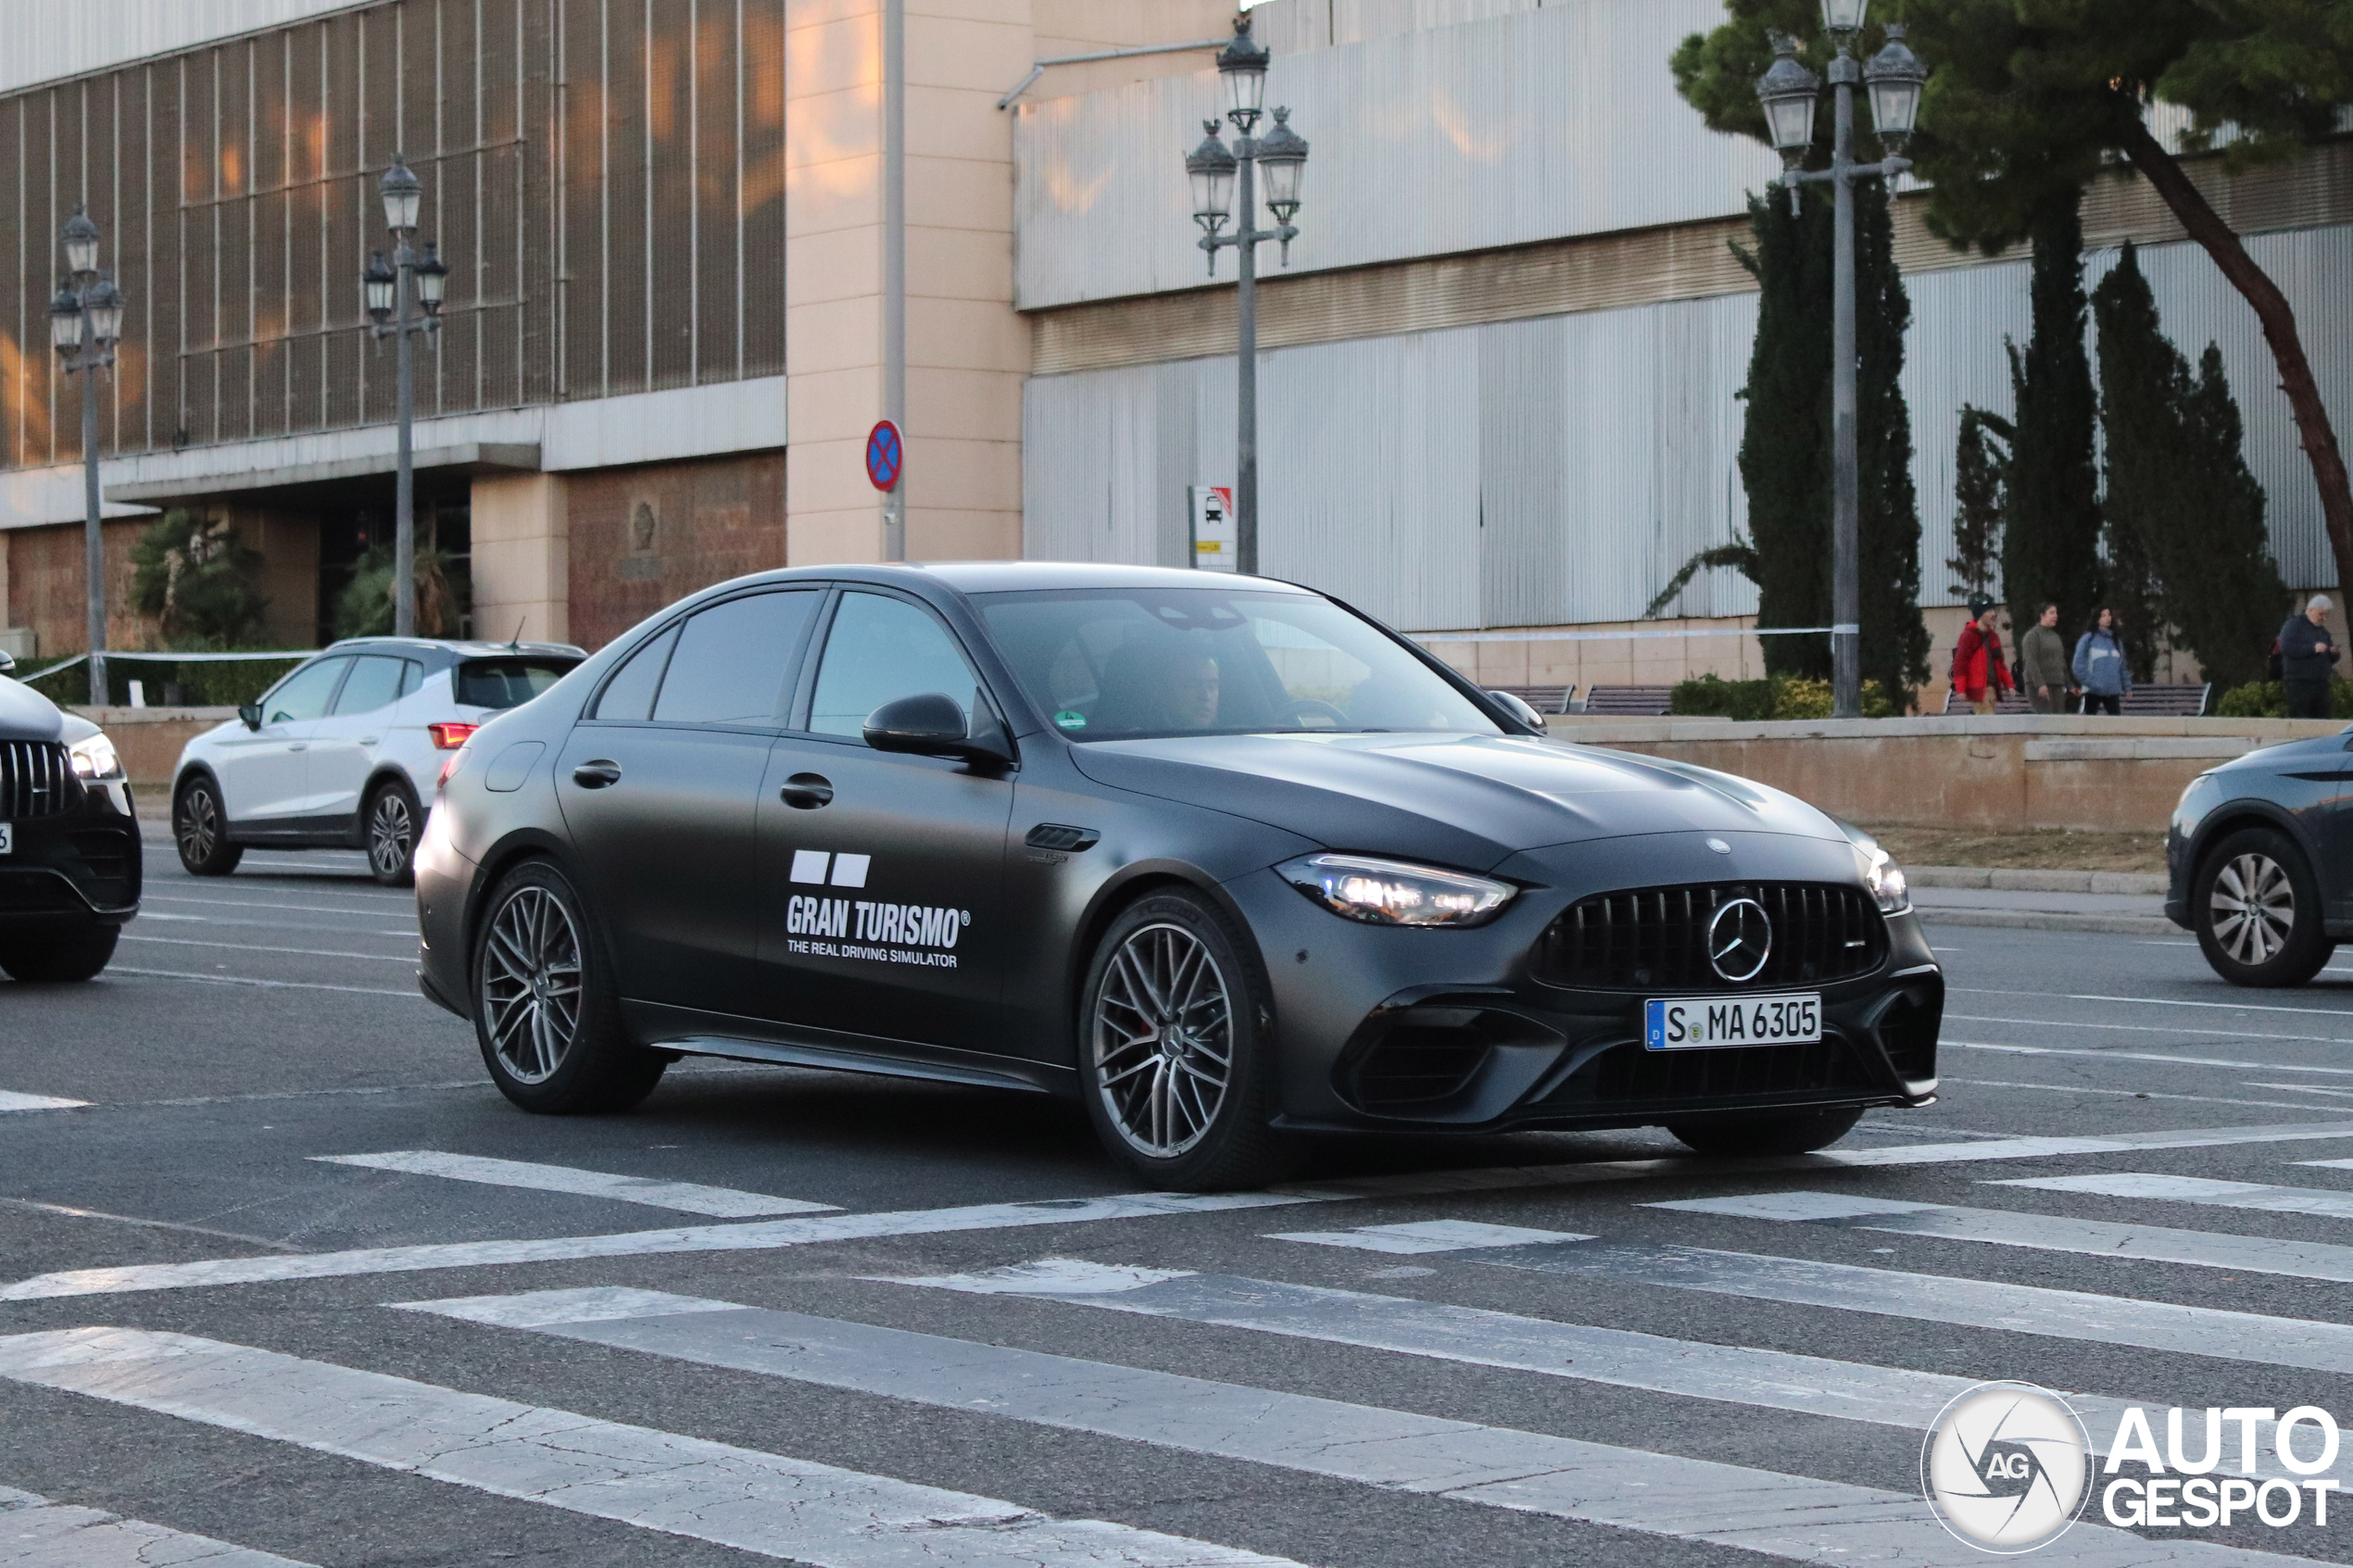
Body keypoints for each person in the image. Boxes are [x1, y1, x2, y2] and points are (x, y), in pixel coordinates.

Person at [2279, 594, 2340, 720]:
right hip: (2300, 682)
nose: (2324, 618)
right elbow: (2286, 647)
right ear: (2310, 610)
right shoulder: (2293, 625)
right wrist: (2312, 648)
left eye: (2326, 615)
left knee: (2323, 718)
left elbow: (2331, 657)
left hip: (2321, 682)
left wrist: (2333, 653)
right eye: (2321, 614)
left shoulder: (2322, 631)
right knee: (2302, 718)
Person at [1951, 597, 2014, 716]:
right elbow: (1960, 663)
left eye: (1993, 611)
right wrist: (1960, 688)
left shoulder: (1993, 636)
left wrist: (2009, 684)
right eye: (1989, 611)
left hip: (1992, 689)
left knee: (1989, 726)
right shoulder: (1968, 636)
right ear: (1981, 615)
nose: (1994, 614)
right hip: (1979, 690)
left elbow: (2000, 664)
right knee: (1987, 725)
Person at [2071, 607, 2132, 716]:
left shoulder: (2116, 641)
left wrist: (2127, 686)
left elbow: (2122, 666)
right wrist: (2093, 682)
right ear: (2097, 618)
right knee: (2088, 724)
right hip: (2092, 692)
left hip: (2112, 691)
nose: (2107, 618)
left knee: (2116, 723)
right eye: (2103, 615)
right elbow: (2078, 666)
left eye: (2109, 615)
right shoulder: (2088, 639)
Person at [2019, 602, 2072, 714]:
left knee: (2059, 719)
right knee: (2047, 719)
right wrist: (2040, 684)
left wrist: (2070, 685)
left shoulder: (2055, 636)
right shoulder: (2033, 636)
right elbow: (2031, 661)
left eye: (2056, 613)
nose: (2055, 616)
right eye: (2051, 613)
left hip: (2057, 684)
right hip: (2039, 686)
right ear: (2042, 615)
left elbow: (2062, 662)